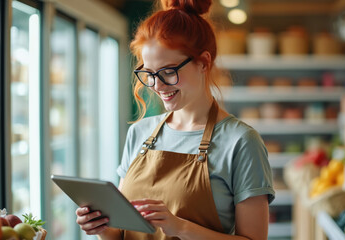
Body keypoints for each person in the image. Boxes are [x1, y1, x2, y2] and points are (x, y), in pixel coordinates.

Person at [75, 0, 275, 239]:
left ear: (203, 62)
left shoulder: (240, 141)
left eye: (168, 71)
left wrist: (180, 227)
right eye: (148, 74)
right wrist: (102, 227)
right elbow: (121, 234)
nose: (157, 86)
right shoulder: (139, 132)